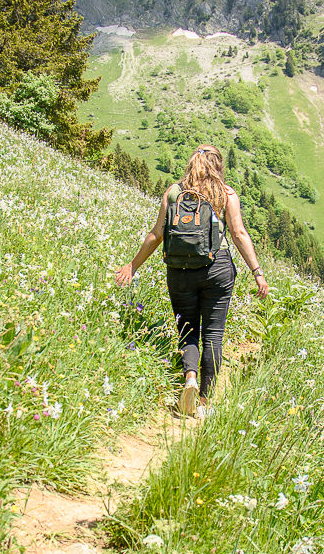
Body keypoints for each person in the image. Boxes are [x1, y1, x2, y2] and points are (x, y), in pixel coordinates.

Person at [115, 145, 269, 417]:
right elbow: (239, 233)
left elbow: (156, 235)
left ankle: (189, 379)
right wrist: (257, 272)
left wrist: (132, 265)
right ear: (218, 166)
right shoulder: (226, 193)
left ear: (191, 164)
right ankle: (206, 403)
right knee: (213, 333)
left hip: (180, 270)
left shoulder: (174, 192)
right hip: (217, 269)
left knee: (187, 329)